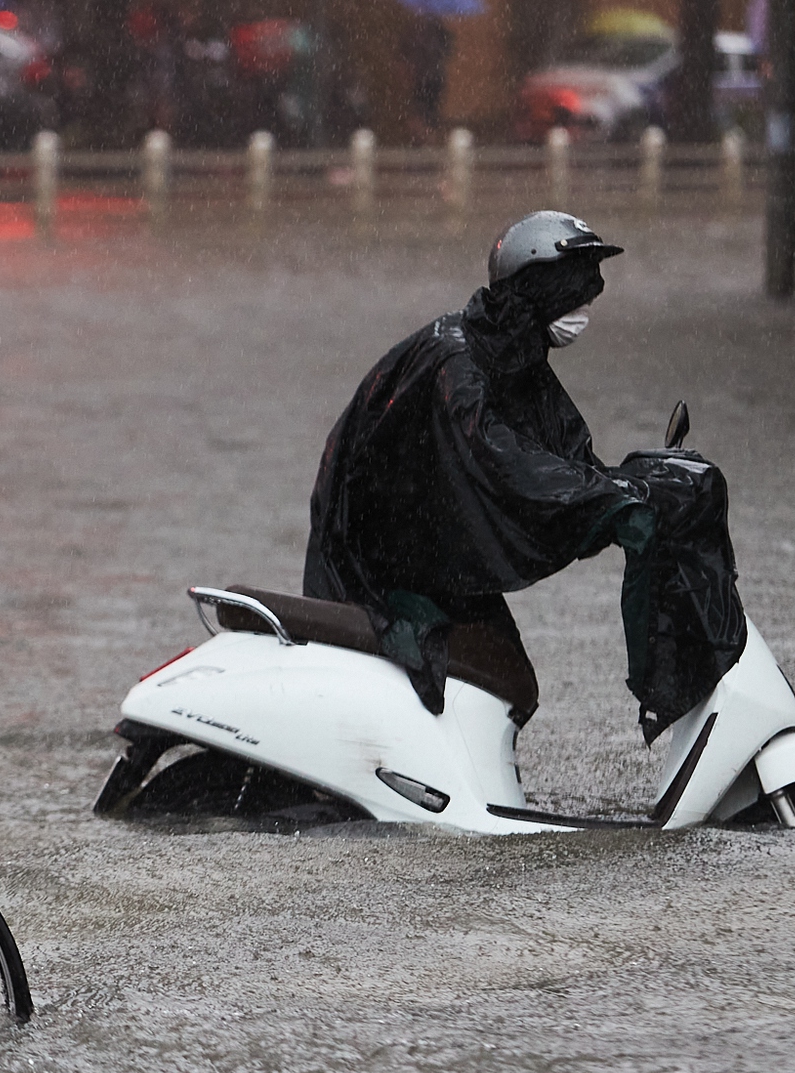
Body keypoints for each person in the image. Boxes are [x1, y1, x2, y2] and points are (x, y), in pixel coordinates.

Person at [303, 210, 745, 743]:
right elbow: (501, 461)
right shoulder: (457, 362)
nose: (584, 308)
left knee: (513, 686)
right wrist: (609, 501)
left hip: (434, 559)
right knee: (498, 681)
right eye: (573, 293)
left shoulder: (514, 353)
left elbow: (565, 454)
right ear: (537, 289)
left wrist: (638, 483)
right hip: (379, 569)